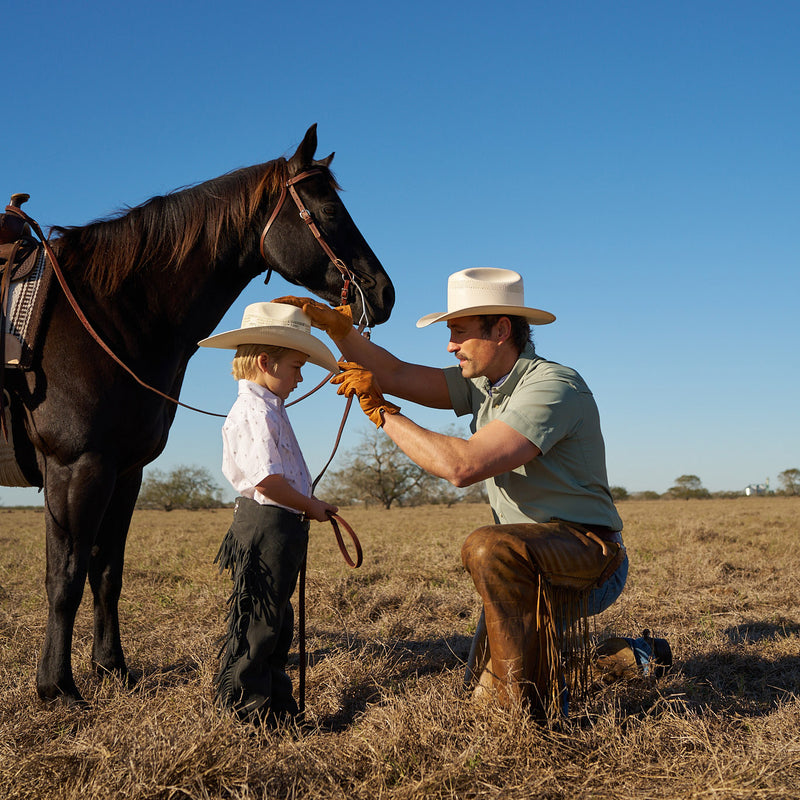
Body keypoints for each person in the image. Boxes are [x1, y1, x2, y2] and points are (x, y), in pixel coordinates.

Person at [275, 268, 628, 718]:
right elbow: (395, 371)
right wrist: (340, 331)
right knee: (479, 689)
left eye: (459, 333)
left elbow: (464, 467)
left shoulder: (552, 386)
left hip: (588, 554)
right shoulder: (483, 384)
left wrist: (383, 412)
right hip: (524, 560)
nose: (450, 345)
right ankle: (628, 657)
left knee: (489, 552)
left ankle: (529, 722)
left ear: (501, 330)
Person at [198, 301, 340, 726]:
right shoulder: (255, 412)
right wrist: (311, 505)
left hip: (280, 524)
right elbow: (268, 482)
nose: (301, 376)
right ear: (265, 361)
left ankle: (275, 706)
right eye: (297, 365)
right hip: (268, 523)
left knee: (276, 616)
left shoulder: (269, 408)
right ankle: (250, 710)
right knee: (260, 620)